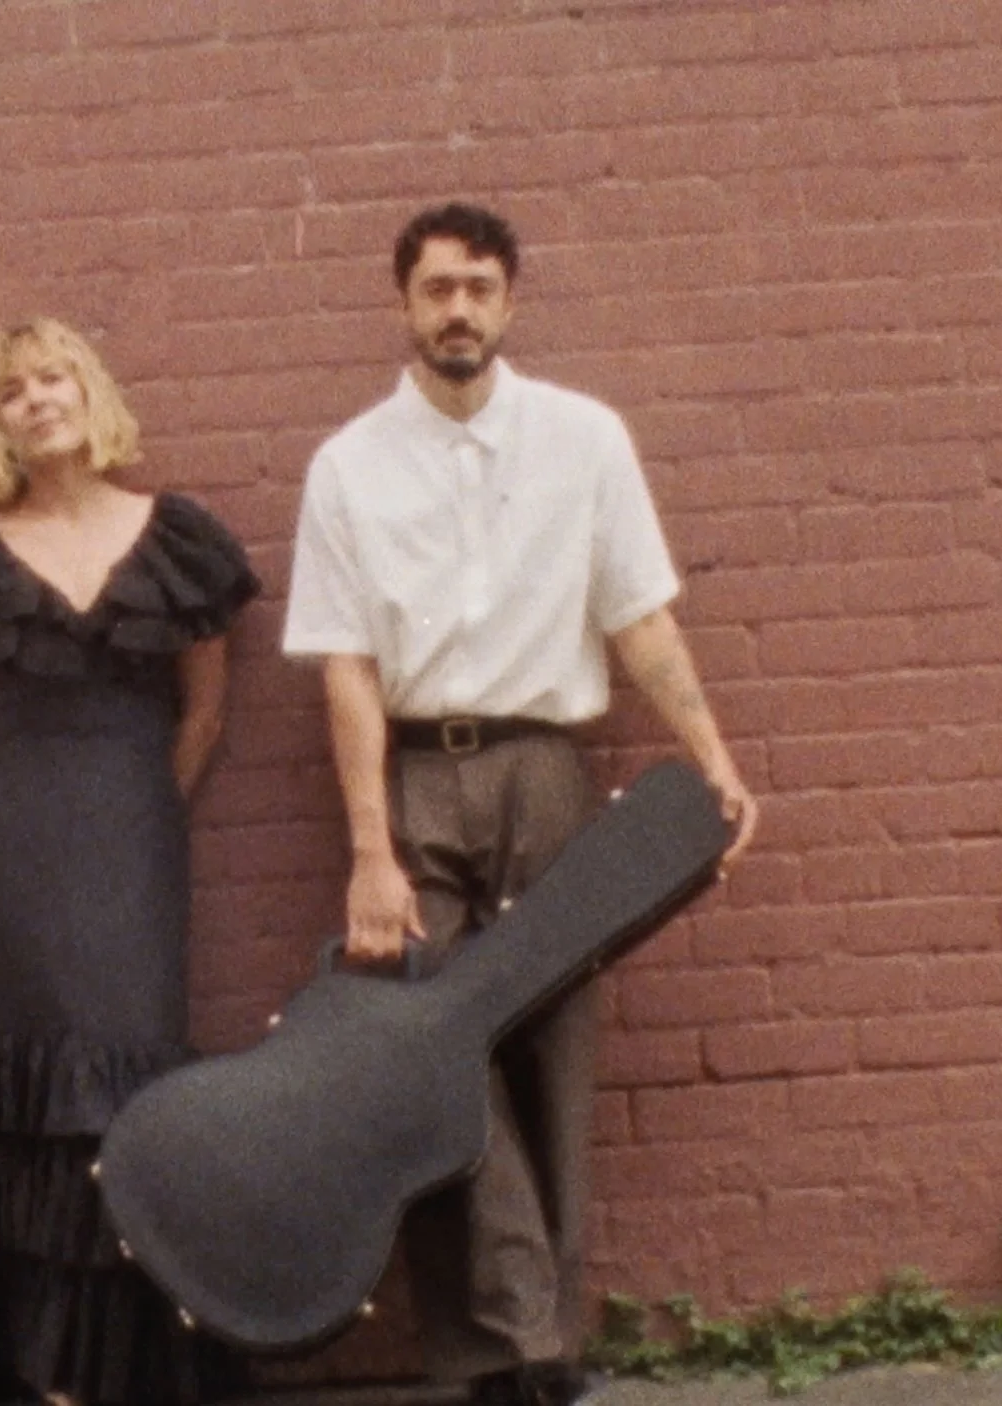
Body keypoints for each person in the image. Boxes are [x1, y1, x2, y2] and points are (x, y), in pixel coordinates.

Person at [280, 204, 760, 1406]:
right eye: (437, 287)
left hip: (548, 769)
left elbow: (638, 618)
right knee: (433, 1054)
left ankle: (542, 1341)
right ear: (402, 302)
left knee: (557, 1050)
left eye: (480, 288)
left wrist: (710, 756)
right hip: (416, 776)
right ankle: (509, 1352)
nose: (458, 309)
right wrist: (368, 852)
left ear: (511, 301)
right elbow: (343, 665)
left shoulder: (585, 440)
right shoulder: (348, 466)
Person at [0, 317, 258, 1406]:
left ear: (90, 392)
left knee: (120, 1082)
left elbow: (204, 711)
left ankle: (117, 1367)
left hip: (136, 834)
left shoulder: (178, 538)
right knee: (24, 1077)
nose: (37, 399)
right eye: (12, 390)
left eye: (54, 377)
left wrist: (135, 807)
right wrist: (23, 811)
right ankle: (33, 1367)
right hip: (19, 843)